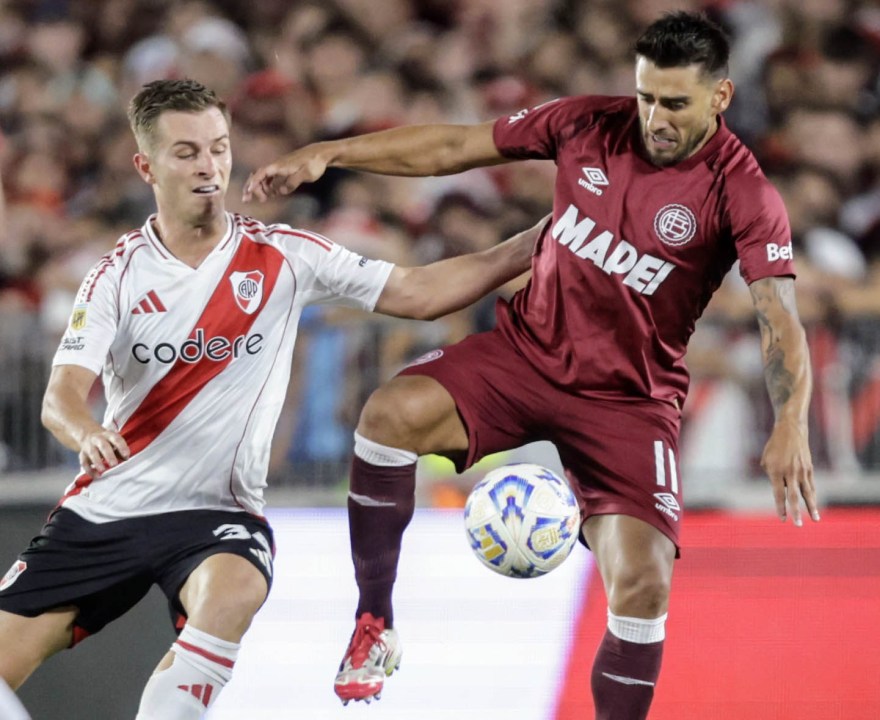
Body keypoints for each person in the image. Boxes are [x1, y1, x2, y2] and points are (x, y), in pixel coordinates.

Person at [245, 11, 819, 718]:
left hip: (628, 401)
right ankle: (374, 622)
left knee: (643, 584)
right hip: (525, 355)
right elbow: (454, 145)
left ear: (720, 96)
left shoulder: (743, 191)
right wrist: (331, 152)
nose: (654, 118)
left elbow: (778, 317)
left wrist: (790, 420)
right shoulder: (586, 123)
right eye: (646, 96)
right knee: (389, 415)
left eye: (675, 103)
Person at [0, 78, 539, 720]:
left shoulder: (284, 256)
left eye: (219, 148)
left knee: (234, 590)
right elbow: (60, 397)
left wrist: (537, 239)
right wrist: (86, 432)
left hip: (217, 515)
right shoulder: (115, 276)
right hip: (107, 510)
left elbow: (419, 293)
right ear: (146, 167)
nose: (209, 166)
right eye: (186, 152)